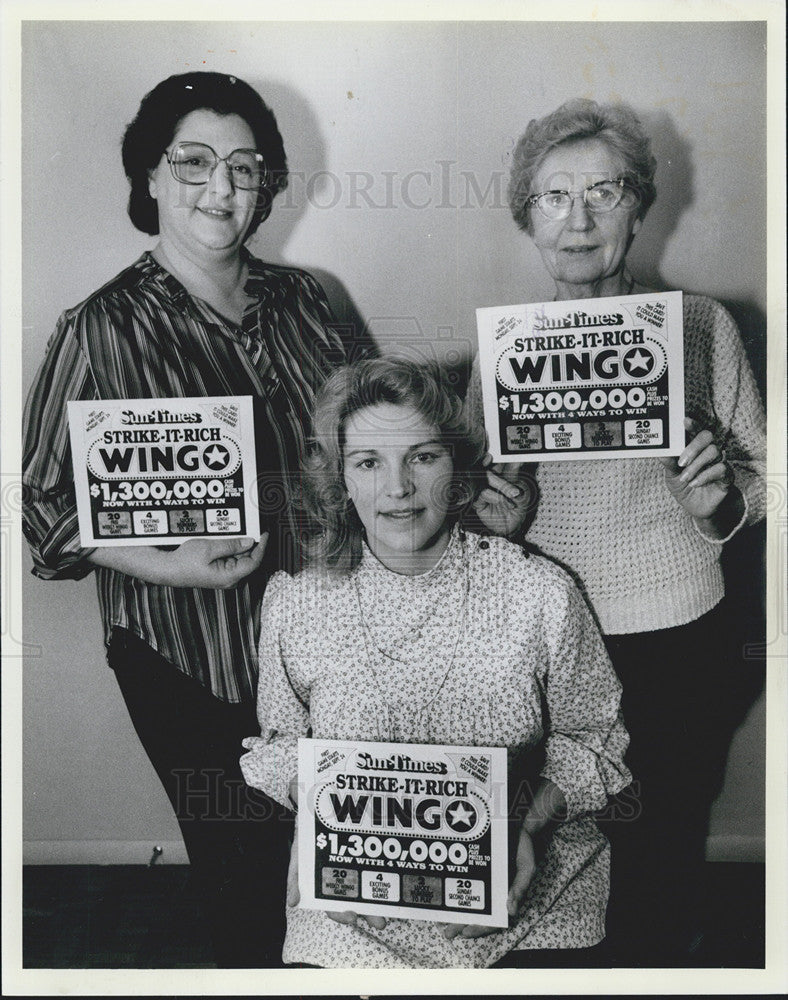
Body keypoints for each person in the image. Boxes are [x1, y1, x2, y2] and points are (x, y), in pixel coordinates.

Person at [22, 71, 355, 967]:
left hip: (329, 640)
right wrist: (160, 562)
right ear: (152, 178)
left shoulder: (306, 301)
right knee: (248, 879)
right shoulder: (98, 328)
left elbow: (379, 434)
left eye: (245, 168)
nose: (223, 189)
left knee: (337, 873)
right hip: (187, 651)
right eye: (196, 162)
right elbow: (40, 515)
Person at [465, 98, 767, 963]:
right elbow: (481, 519)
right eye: (554, 197)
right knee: (554, 849)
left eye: (603, 192)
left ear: (639, 207)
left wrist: (716, 503)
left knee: (663, 846)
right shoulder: (505, 353)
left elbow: (769, 479)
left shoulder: (701, 329)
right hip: (552, 638)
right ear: (528, 217)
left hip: (679, 632)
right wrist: (503, 523)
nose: (580, 218)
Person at [240, 357, 631, 968]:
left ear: (457, 468)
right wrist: (314, 824)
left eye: (422, 456)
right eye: (368, 462)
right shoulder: (296, 602)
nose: (398, 488)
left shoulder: (541, 592)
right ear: (340, 479)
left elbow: (597, 740)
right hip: (356, 918)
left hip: (532, 905)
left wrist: (525, 825)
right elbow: (281, 744)